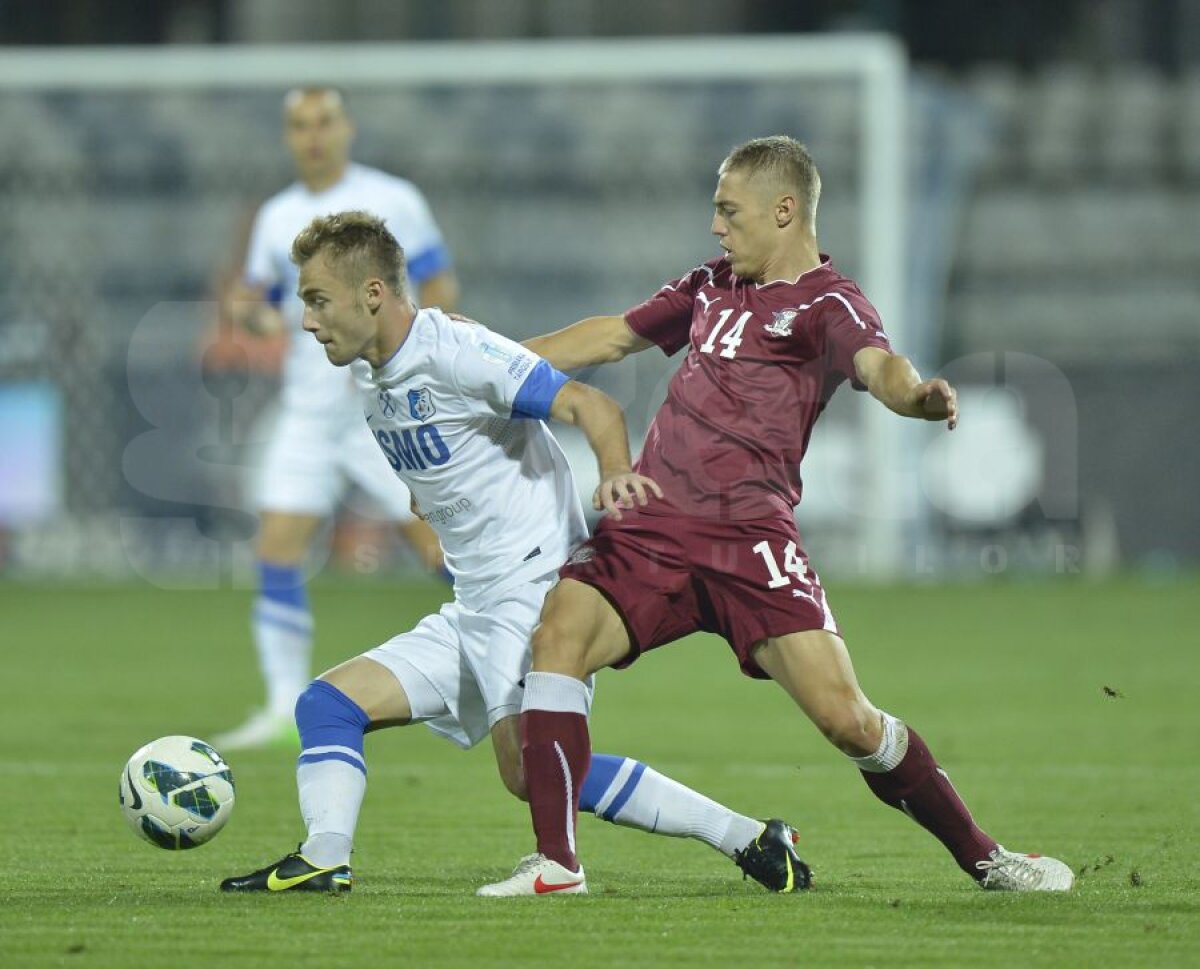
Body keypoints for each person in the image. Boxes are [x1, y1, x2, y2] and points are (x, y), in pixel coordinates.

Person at [481, 136, 1075, 896]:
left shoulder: (830, 305)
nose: (717, 228)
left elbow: (879, 368)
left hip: (749, 539)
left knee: (849, 721)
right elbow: (611, 334)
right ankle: (557, 863)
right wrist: (483, 362)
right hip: (654, 522)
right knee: (556, 636)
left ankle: (987, 857)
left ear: (784, 210)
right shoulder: (710, 284)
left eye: (729, 211)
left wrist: (917, 395)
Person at [220, 211, 810, 895]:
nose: (308, 321)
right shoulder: (372, 378)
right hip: (475, 599)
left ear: (372, 292)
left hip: (531, 585)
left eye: (318, 300)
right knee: (326, 705)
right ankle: (326, 855)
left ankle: (734, 839)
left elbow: (593, 406)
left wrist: (614, 473)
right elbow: (442, 466)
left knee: (534, 771)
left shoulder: (456, 351)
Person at [214, 87, 455, 751]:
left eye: (323, 122)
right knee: (276, 547)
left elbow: (439, 288)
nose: (313, 135)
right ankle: (276, 705)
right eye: (299, 125)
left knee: (438, 545)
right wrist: (248, 311)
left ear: (345, 128)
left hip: (382, 405)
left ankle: (518, 660)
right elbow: (258, 301)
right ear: (288, 136)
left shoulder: (395, 198)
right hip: (310, 408)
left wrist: (419, 358)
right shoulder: (277, 215)